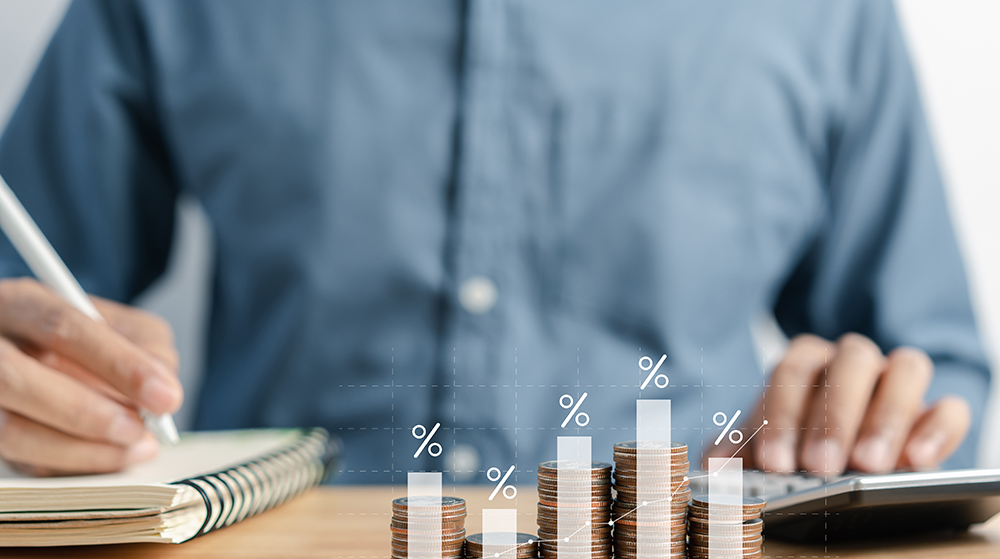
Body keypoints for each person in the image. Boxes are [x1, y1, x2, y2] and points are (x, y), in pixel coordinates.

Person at [0, 0, 989, 482]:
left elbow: (936, 368)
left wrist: (880, 424)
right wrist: (34, 384)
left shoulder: (826, 12)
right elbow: (30, 296)